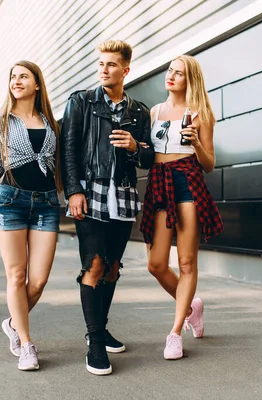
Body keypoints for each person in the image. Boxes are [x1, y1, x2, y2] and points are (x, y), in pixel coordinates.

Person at [60, 39, 154, 375]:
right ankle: (95, 342)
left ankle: (100, 326)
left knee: (113, 267)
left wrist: (133, 147)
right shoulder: (81, 102)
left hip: (124, 194)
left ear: (126, 69)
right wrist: (73, 191)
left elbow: (149, 156)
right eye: (101, 63)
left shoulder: (139, 111)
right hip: (90, 192)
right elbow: (67, 150)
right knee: (95, 264)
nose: (104, 69)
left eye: (111, 64)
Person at [0, 60, 62, 371]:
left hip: (47, 203)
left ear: (37, 84)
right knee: (16, 275)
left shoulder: (50, 121)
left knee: (37, 281)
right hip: (11, 201)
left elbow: (56, 165)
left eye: (24, 76)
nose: (17, 81)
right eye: (12, 76)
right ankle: (26, 344)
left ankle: (12, 323)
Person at [139, 55, 223, 360]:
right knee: (156, 264)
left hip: (187, 181)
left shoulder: (201, 115)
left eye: (180, 73)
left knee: (187, 263)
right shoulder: (154, 112)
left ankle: (175, 332)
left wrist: (197, 143)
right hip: (159, 183)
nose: (171, 76)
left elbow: (210, 164)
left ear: (191, 80)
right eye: (170, 70)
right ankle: (191, 307)